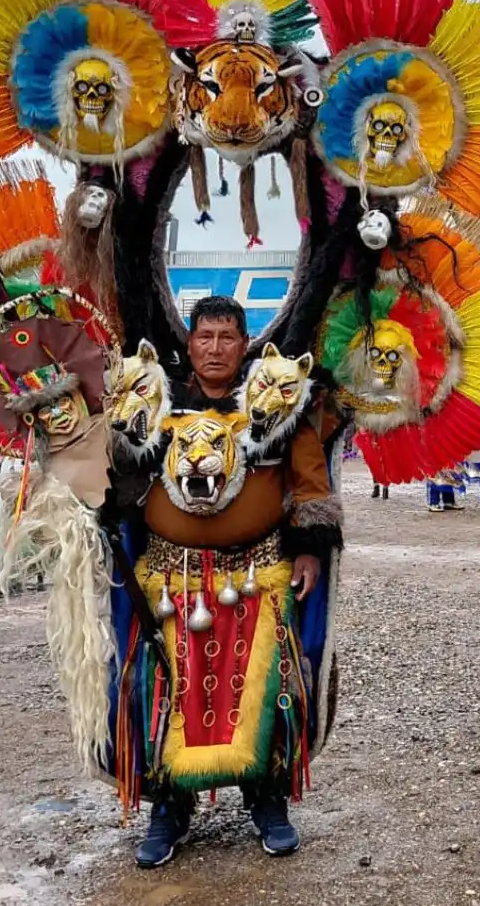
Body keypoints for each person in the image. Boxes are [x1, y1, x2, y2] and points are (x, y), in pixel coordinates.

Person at [121, 296, 342, 867]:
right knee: (167, 692)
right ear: (189, 343)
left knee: (266, 688)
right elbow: (115, 471)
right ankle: (168, 806)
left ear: (245, 346)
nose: (215, 348)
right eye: (205, 336)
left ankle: (267, 800)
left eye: (227, 337)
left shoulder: (279, 402)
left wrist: (311, 551)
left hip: (258, 576)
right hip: (168, 581)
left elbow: (310, 484)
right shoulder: (153, 401)